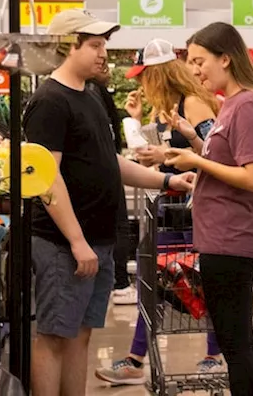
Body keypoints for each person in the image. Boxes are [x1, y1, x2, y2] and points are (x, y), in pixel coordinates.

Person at [24, 10, 195, 396]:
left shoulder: (93, 95)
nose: (104, 54)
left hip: (97, 241)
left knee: (80, 336)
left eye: (104, 45)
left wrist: (167, 180)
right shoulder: (49, 102)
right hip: (63, 245)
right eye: (95, 45)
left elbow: (110, 161)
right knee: (54, 336)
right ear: (67, 46)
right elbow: (45, 179)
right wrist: (77, 241)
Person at [96, 39, 224, 384]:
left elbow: (216, 157)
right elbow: (161, 151)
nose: (140, 84)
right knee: (153, 277)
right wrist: (137, 123)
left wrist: (164, 156)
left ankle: (213, 353)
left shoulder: (194, 104)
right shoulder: (165, 109)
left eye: (144, 76)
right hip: (172, 210)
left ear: (160, 74)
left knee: (202, 279)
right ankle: (137, 358)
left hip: (199, 210)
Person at [164, 22, 253, 396]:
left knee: (234, 343)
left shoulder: (246, 104)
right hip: (222, 235)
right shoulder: (232, 103)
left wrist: (195, 161)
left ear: (226, 59)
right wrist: (196, 143)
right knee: (239, 340)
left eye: (200, 61)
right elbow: (228, 158)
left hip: (232, 238)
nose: (195, 70)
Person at [85, 63, 138, 306]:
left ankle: (116, 282)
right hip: (105, 175)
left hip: (107, 172)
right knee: (119, 228)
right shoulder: (90, 93)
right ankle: (120, 284)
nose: (105, 64)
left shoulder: (93, 92)